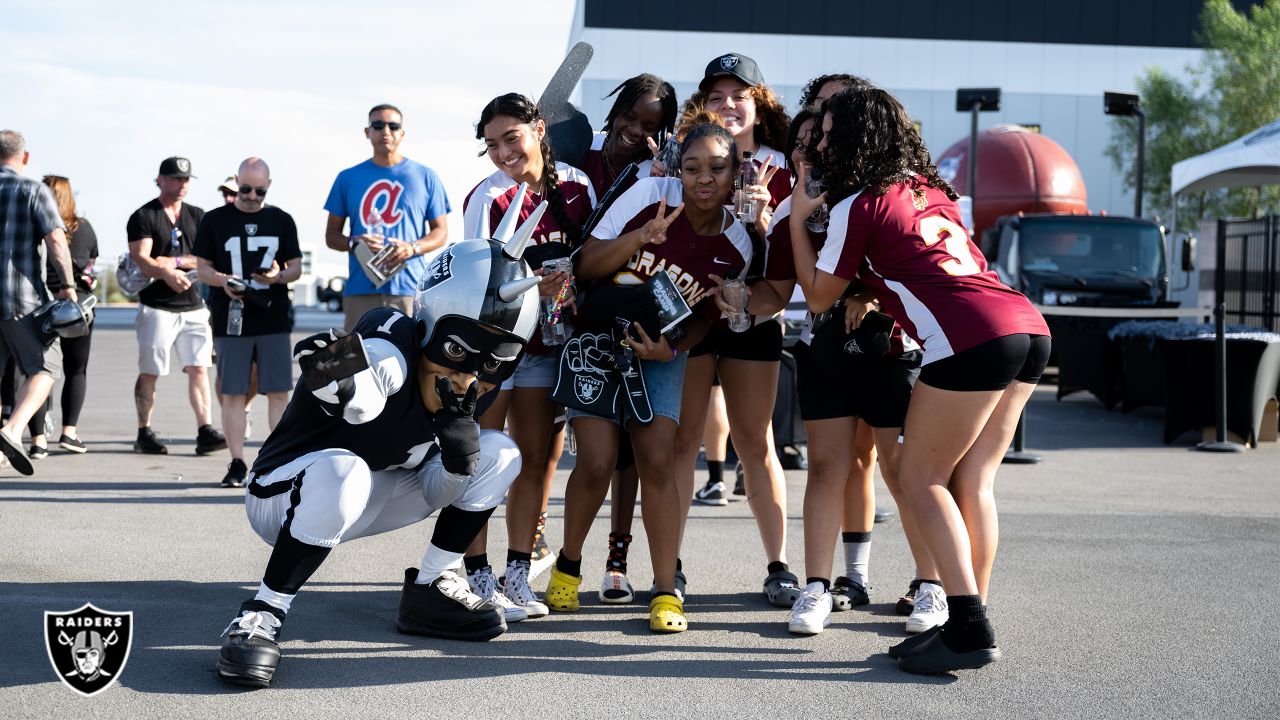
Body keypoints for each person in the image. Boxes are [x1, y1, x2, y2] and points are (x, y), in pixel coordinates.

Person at [216, 205, 545, 688]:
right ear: (433, 325)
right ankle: (262, 613)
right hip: (284, 496)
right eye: (458, 351)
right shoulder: (393, 339)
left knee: (499, 454)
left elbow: (448, 478)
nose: (467, 376)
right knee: (343, 470)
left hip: (373, 495)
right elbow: (374, 376)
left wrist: (459, 457)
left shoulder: (476, 384)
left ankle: (433, 585)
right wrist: (344, 381)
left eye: (493, 361)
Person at [788, 87, 1050, 673]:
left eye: (831, 133)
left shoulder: (860, 201)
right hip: (1026, 325)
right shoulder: (929, 190)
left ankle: (967, 627)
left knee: (918, 474)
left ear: (858, 139)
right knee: (971, 482)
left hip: (971, 338)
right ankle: (967, 617)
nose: (822, 143)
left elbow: (820, 294)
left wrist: (799, 222)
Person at [546, 123, 751, 634]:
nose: (704, 179)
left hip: (662, 352)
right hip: (597, 339)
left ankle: (665, 591)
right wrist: (640, 236)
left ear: (734, 174)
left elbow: (707, 315)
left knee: (658, 459)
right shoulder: (647, 196)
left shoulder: (739, 243)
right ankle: (568, 566)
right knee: (595, 461)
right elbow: (587, 265)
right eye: (692, 167)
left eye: (717, 168)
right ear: (677, 170)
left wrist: (673, 347)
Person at [746, 105, 934, 636]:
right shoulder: (788, 212)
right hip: (823, 352)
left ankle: (930, 583)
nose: (810, 150)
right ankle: (817, 587)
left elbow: (907, 258)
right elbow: (788, 291)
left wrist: (870, 295)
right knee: (827, 467)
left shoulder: (873, 193)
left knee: (901, 469)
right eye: (800, 144)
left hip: (887, 349)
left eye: (819, 140)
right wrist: (733, 298)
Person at [458, 92, 596, 621]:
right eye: (491, 144)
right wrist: (530, 286)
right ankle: (476, 575)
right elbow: (473, 277)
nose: (502, 153)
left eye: (511, 138)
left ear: (539, 129)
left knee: (535, 459)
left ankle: (518, 573)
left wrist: (572, 283)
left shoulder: (578, 186)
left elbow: (595, 254)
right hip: (493, 350)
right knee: (484, 458)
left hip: (550, 345)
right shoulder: (486, 196)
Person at [667, 54, 797, 607]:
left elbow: (794, 254)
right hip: (691, 309)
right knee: (682, 442)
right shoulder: (682, 154)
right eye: (717, 97)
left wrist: (765, 219)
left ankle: (779, 566)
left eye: (738, 95)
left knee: (755, 441)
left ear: (758, 99)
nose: (728, 105)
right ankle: (667, 566)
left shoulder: (784, 165)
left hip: (755, 312)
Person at [194, 157, 303, 487]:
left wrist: (277, 276)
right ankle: (237, 462)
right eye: (244, 189)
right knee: (233, 393)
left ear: (268, 185)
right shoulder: (215, 220)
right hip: (231, 318)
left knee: (279, 392)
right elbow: (202, 269)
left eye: (258, 190)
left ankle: (281, 460)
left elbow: (296, 267)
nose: (251, 196)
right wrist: (224, 280)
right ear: (236, 182)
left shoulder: (281, 219)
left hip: (272, 315)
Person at [126, 156, 226, 456]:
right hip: (156, 306)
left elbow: (209, 257)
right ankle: (144, 431)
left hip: (193, 305)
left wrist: (177, 261)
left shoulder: (199, 216)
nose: (182, 184)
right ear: (161, 179)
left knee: (199, 368)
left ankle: (205, 429)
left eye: (185, 180)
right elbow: (141, 258)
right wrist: (165, 273)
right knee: (151, 370)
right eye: (175, 179)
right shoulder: (144, 215)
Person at [324, 104, 451, 331]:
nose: (386, 131)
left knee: (410, 359)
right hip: (360, 289)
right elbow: (331, 236)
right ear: (367, 132)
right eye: (378, 125)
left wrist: (412, 247)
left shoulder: (426, 176)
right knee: (358, 361)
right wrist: (354, 242)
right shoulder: (347, 178)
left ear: (402, 133)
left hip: (410, 289)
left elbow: (441, 233)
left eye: (393, 126)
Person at [0, 130, 77, 475]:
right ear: (25, 157)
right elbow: (56, 241)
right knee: (46, 366)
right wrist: (68, 286)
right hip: (20, 299)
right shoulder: (33, 190)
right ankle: (13, 430)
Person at [24, 175, 98, 457]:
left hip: (41, 305)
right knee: (76, 370)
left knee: (39, 371)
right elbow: (91, 261)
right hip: (78, 306)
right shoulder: (84, 228)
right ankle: (69, 432)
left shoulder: (35, 225)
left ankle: (38, 440)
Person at [580, 73, 678, 198]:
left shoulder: (655, 176)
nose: (635, 131)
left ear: (657, 132)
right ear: (616, 110)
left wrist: (663, 186)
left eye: (648, 127)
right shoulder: (583, 146)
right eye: (629, 117)